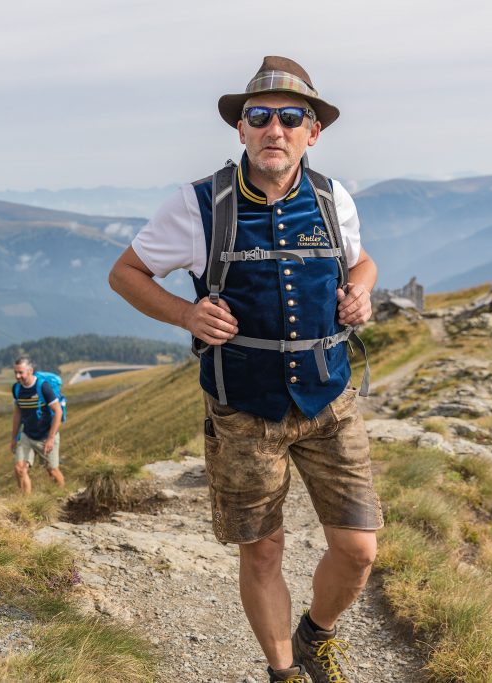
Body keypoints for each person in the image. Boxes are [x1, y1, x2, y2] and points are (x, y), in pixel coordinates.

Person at [109, 56, 380, 683]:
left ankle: (316, 635)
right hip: (243, 409)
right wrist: (187, 314)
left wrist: (361, 289)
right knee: (263, 551)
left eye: (291, 117)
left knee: (359, 549)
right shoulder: (199, 205)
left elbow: (362, 263)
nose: (274, 129)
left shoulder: (333, 198)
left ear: (314, 131)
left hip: (329, 399)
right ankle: (283, 671)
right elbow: (125, 272)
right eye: (259, 116)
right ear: (241, 130)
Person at [10, 357, 65, 493]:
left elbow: (57, 411)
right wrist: (14, 438)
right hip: (27, 435)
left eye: (21, 373)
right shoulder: (16, 389)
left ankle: (63, 496)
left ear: (30, 371)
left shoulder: (42, 386)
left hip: (46, 436)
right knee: (20, 469)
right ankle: (26, 504)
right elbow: (18, 413)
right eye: (15, 373)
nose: (17, 376)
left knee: (52, 471)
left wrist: (51, 438)